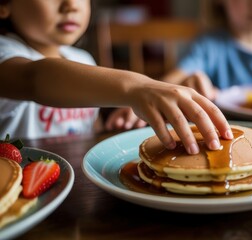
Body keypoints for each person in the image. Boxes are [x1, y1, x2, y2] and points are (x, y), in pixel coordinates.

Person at [0, 0, 233, 155]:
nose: (71, 5)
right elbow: (35, 78)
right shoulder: (5, 54)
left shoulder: (82, 60)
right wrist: (137, 88)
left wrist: (120, 119)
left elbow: (88, 129)